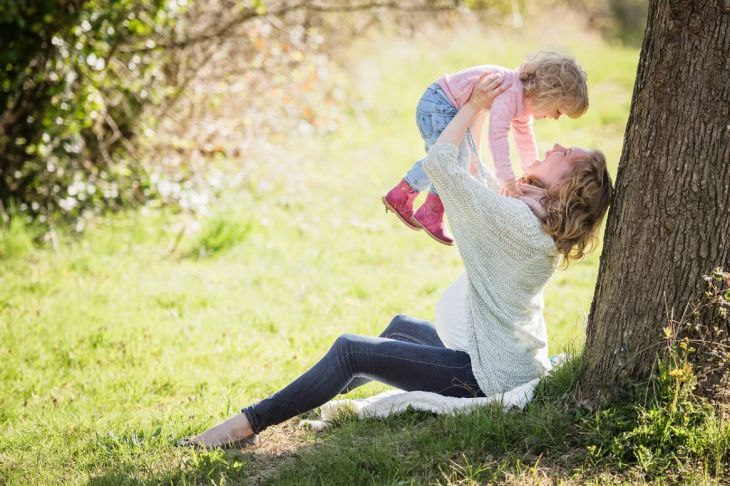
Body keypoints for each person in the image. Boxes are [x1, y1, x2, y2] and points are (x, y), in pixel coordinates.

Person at [180, 74, 612, 449]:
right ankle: (298, 401)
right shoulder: (534, 221)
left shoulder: (517, 223)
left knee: (352, 350)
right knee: (400, 328)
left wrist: (476, 105)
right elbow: (478, 178)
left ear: (567, 187)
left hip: (485, 375)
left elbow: (442, 164)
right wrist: (479, 112)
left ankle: (247, 424)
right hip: (497, 356)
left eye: (567, 154)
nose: (556, 144)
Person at [382, 52, 588, 245]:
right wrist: (507, 179)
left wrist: (530, 169)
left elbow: (525, 136)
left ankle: (406, 196)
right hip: (439, 104)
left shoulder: (522, 100)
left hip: (445, 106)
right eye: (559, 111)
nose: (555, 118)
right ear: (548, 93)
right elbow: (497, 135)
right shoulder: (511, 92)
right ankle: (428, 208)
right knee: (450, 159)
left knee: (450, 158)